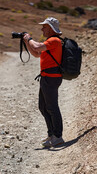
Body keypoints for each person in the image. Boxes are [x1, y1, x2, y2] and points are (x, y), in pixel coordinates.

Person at [23, 17, 64, 147]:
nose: (42, 29)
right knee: (43, 107)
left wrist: (29, 39)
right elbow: (36, 53)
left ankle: (58, 136)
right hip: (46, 78)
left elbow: (37, 46)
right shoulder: (49, 42)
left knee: (51, 107)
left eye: (44, 27)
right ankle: (51, 134)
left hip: (51, 78)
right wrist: (26, 42)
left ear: (51, 28)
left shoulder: (54, 40)